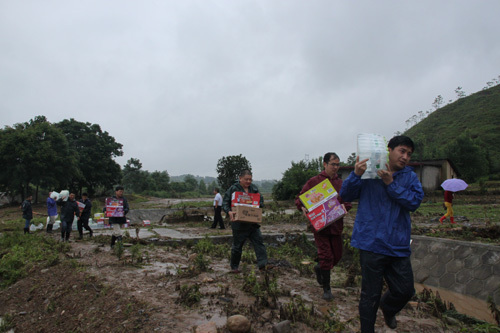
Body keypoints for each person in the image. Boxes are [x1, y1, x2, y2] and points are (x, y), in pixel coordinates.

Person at [339, 135, 424, 332]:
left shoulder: (409, 177)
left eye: (409, 154)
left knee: (405, 290)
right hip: (371, 243)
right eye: (401, 151)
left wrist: (391, 183)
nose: (405, 157)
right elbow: (345, 195)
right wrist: (356, 175)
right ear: (389, 151)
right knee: (370, 296)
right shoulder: (369, 173)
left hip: (398, 244)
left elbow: (414, 203)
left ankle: (388, 308)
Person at [295, 152, 352, 300]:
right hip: (320, 227)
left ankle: (319, 267)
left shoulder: (341, 184)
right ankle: (327, 289)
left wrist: (346, 207)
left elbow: (347, 201)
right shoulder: (314, 182)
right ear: (325, 164)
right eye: (333, 164)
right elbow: (300, 199)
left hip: (336, 225)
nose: (336, 167)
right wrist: (302, 207)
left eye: (338, 164)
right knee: (326, 257)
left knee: (337, 256)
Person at [222, 170, 268, 273]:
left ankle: (263, 265)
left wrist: (258, 205)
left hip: (252, 223)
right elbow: (225, 202)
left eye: (250, 179)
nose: (248, 181)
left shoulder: (254, 189)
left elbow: (261, 201)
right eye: (246, 179)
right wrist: (229, 211)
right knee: (237, 246)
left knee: (259, 243)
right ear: (240, 178)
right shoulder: (233, 189)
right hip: (239, 224)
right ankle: (234, 267)